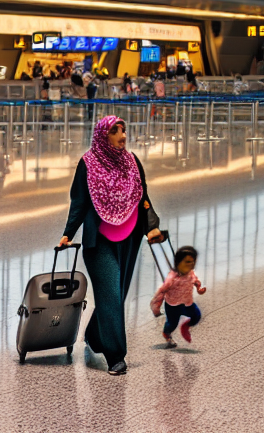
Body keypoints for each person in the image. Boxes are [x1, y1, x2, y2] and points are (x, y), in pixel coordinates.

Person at [59, 116, 164, 375]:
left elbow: (143, 197)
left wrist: (151, 227)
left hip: (129, 239)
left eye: (124, 130)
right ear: (103, 135)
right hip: (100, 242)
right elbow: (79, 202)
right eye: (116, 131)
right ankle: (116, 355)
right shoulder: (88, 164)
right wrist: (68, 232)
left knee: (116, 295)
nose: (123, 135)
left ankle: (95, 336)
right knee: (110, 295)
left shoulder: (132, 162)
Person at [150, 245, 207, 347]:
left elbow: (195, 281)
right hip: (173, 306)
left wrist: (199, 288)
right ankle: (167, 334)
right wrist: (156, 307)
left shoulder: (191, 273)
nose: (191, 264)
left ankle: (185, 326)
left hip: (187, 302)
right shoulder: (171, 278)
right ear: (178, 263)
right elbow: (161, 292)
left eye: (193, 261)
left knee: (196, 316)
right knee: (172, 324)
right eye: (187, 262)